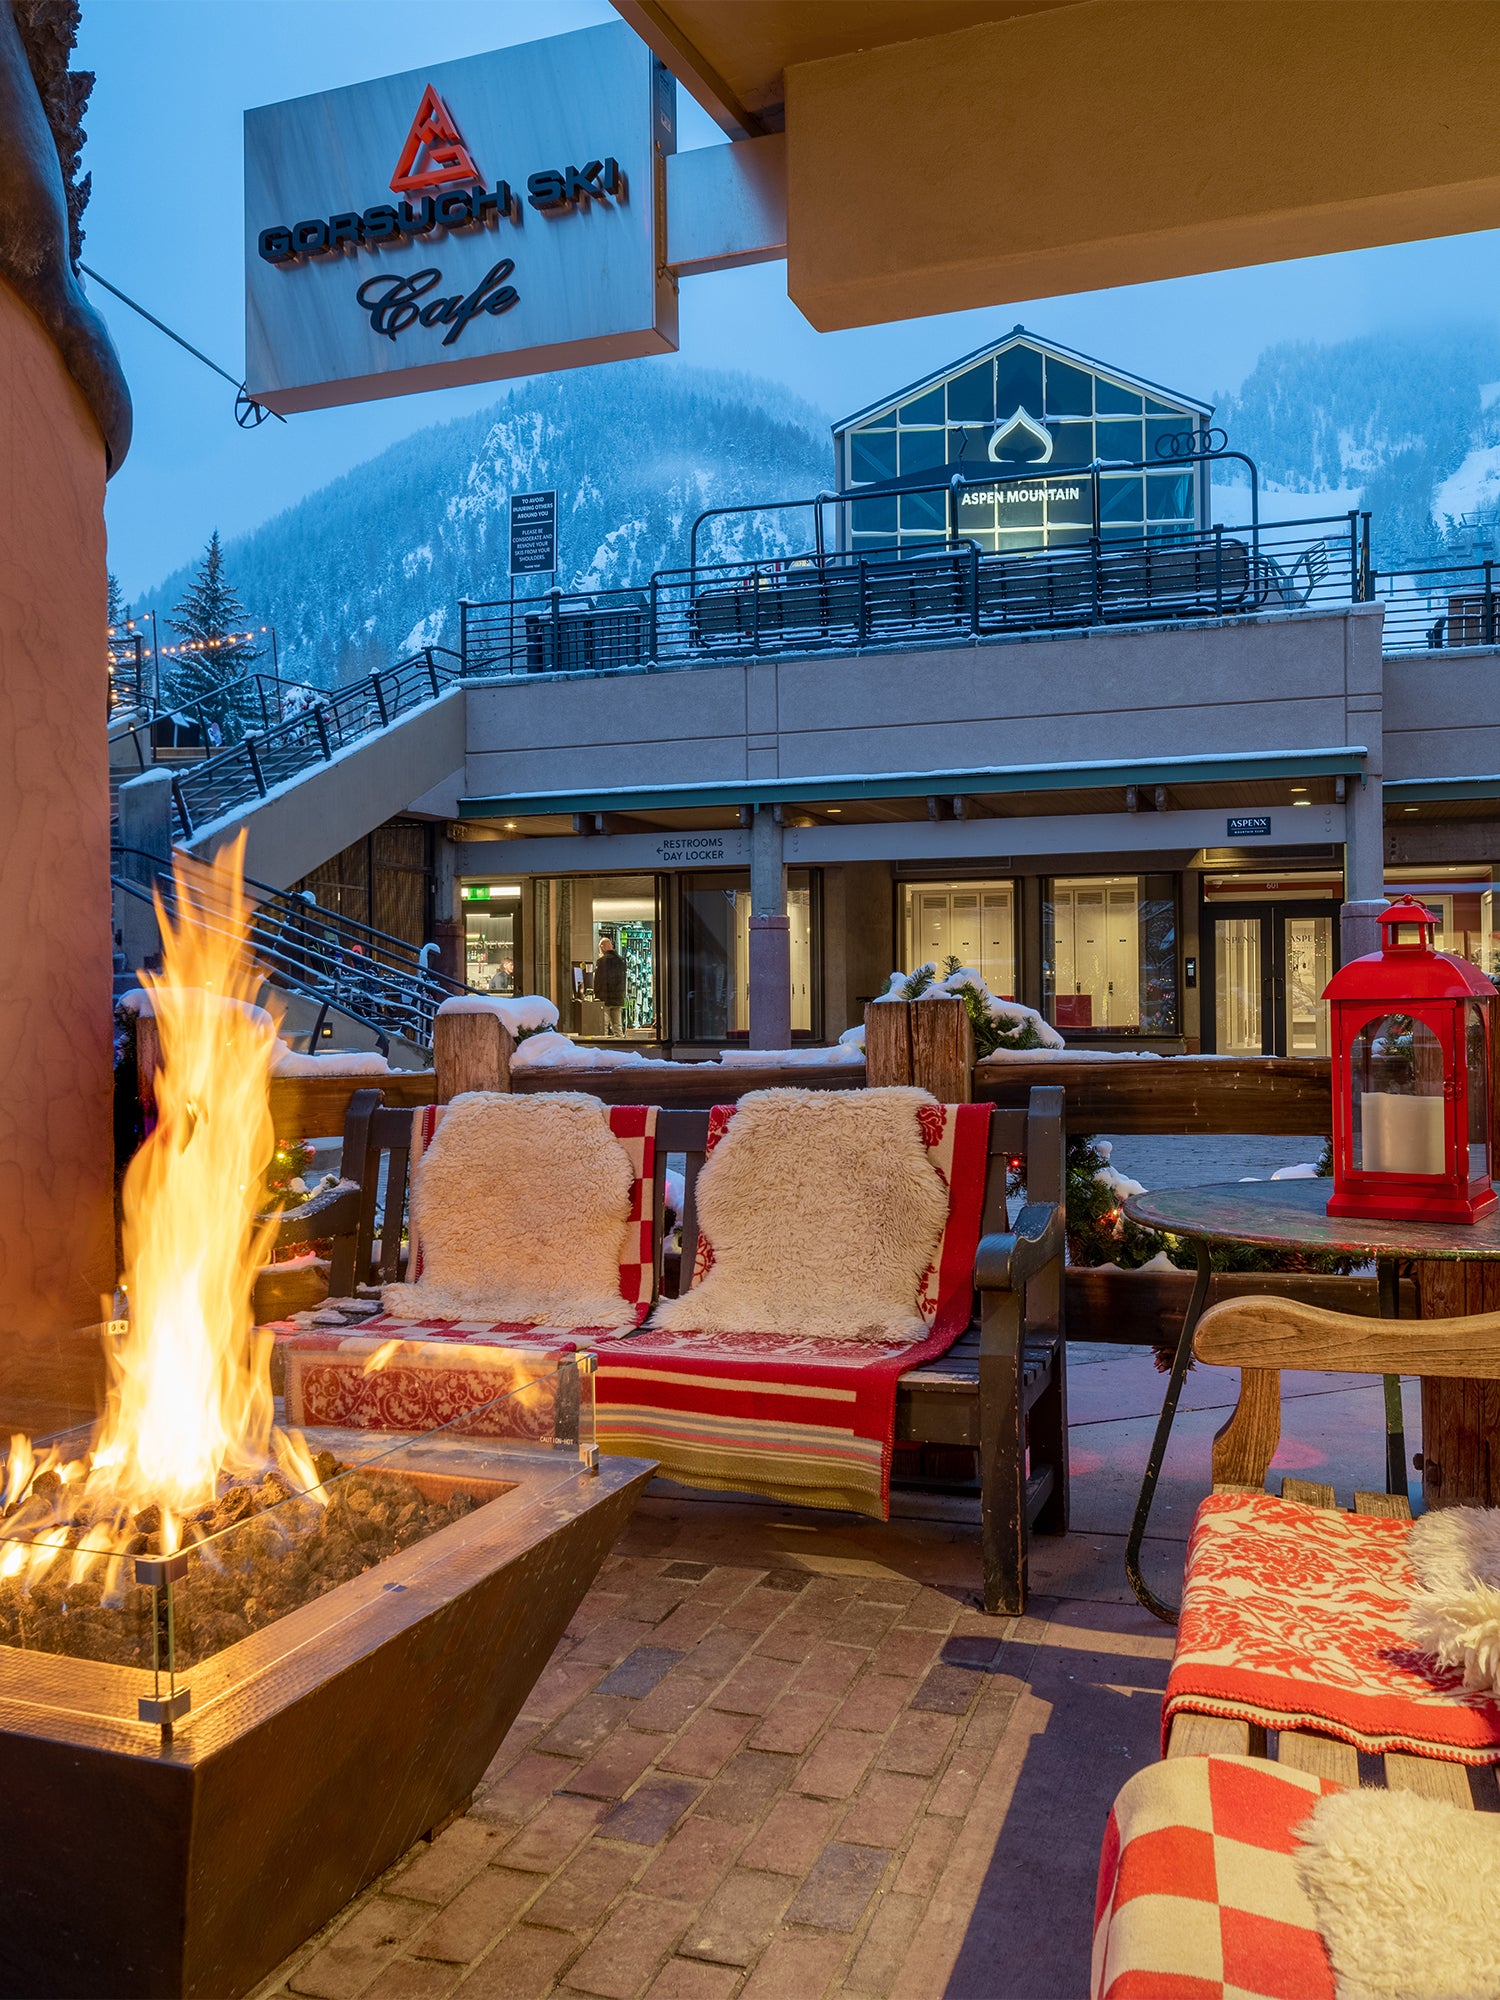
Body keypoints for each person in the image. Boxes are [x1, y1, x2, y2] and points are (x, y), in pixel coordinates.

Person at [593, 935, 627, 1037]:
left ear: (603, 947)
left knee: (604, 1026)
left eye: (599, 948)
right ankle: (621, 1046)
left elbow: (598, 981)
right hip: (618, 998)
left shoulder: (602, 961)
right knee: (617, 1026)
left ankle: (605, 1047)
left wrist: (597, 995)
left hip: (605, 998)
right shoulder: (621, 961)